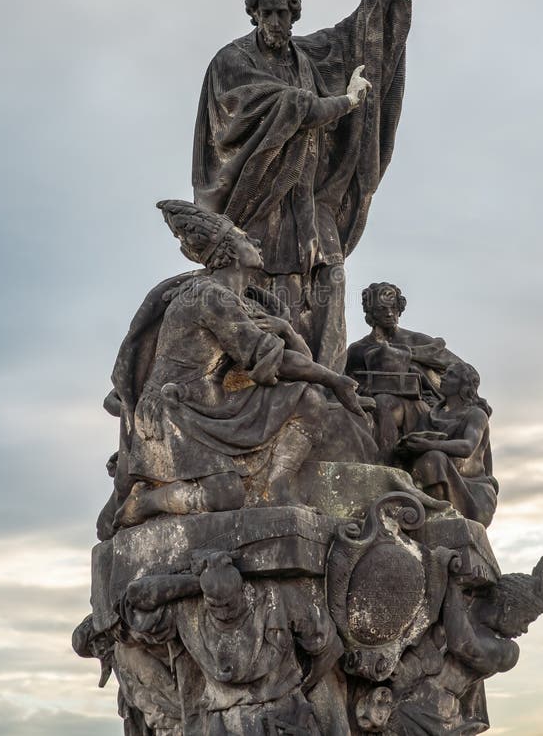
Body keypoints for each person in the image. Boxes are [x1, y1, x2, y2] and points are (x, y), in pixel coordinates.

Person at [192, 0, 414, 371]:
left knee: (330, 275)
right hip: (257, 199)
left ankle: (328, 382)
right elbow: (291, 105)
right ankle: (264, 373)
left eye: (283, 13)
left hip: (307, 200)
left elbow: (348, 39)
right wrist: (346, 101)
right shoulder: (232, 61)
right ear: (254, 14)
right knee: (264, 284)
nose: (276, 22)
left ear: (294, 15)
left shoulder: (303, 58)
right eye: (268, 13)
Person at [102, 200, 364, 533]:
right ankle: (146, 502)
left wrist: (288, 333)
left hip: (217, 403)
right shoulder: (209, 296)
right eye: (244, 238)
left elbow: (289, 357)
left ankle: (278, 488)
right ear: (229, 251)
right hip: (178, 410)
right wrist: (335, 380)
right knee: (224, 496)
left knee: (308, 399)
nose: (255, 242)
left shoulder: (243, 302)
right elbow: (276, 361)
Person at [120, 552, 343, 735]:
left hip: (284, 716)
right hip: (225, 724)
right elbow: (135, 596)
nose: (224, 612)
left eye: (229, 603)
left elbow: (329, 646)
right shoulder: (188, 610)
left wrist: (306, 684)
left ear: (242, 588)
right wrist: (197, 582)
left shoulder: (275, 597)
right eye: (215, 605)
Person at [392, 559, 543, 735]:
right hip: (396, 689)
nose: (525, 629)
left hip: (434, 713)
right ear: (508, 607)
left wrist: (454, 584)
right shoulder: (465, 602)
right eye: (526, 620)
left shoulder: (508, 652)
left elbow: (463, 646)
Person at [345, 282, 460, 463]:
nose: (390, 314)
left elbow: (461, 371)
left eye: (393, 307)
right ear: (371, 311)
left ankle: (390, 463)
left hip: (420, 403)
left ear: (400, 308)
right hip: (375, 403)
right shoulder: (358, 349)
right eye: (382, 309)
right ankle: (384, 463)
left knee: (385, 403)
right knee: (379, 403)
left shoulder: (417, 340)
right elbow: (348, 383)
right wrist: (363, 389)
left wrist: (410, 356)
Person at [400, 362, 498, 528]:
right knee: (428, 459)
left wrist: (429, 445)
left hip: (472, 491)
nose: (444, 377)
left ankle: (440, 512)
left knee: (434, 457)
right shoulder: (429, 416)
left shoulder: (476, 414)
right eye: (445, 373)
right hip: (434, 479)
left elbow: (467, 447)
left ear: (464, 385)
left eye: (451, 375)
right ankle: (433, 509)